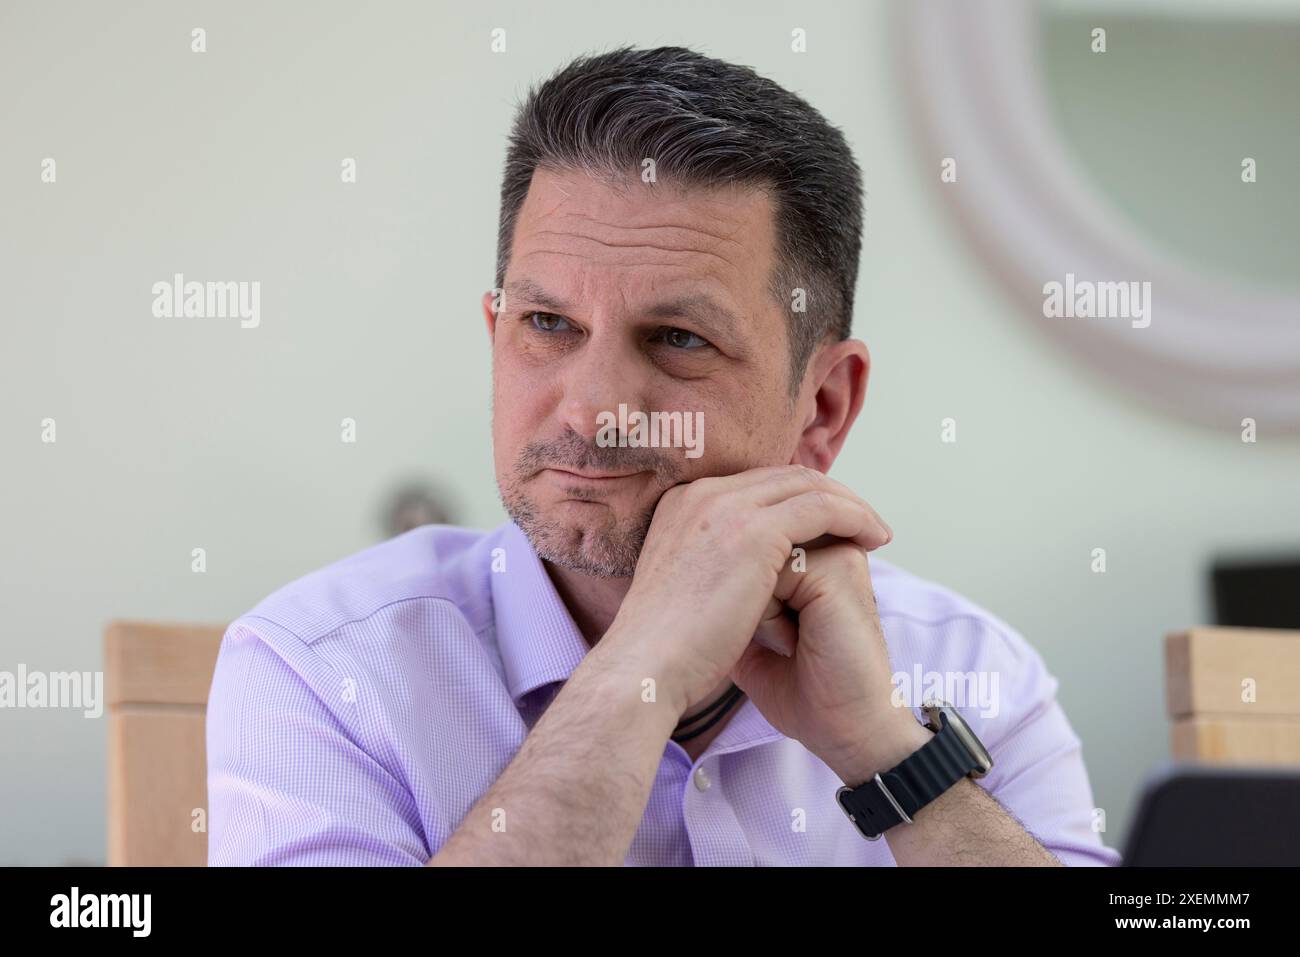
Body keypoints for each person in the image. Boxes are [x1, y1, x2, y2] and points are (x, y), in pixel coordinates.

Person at [207, 46, 1118, 866]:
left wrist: (886, 751)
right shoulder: (320, 670)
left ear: (823, 405)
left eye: (678, 338)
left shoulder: (973, 671)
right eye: (548, 324)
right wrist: (640, 667)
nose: (595, 407)